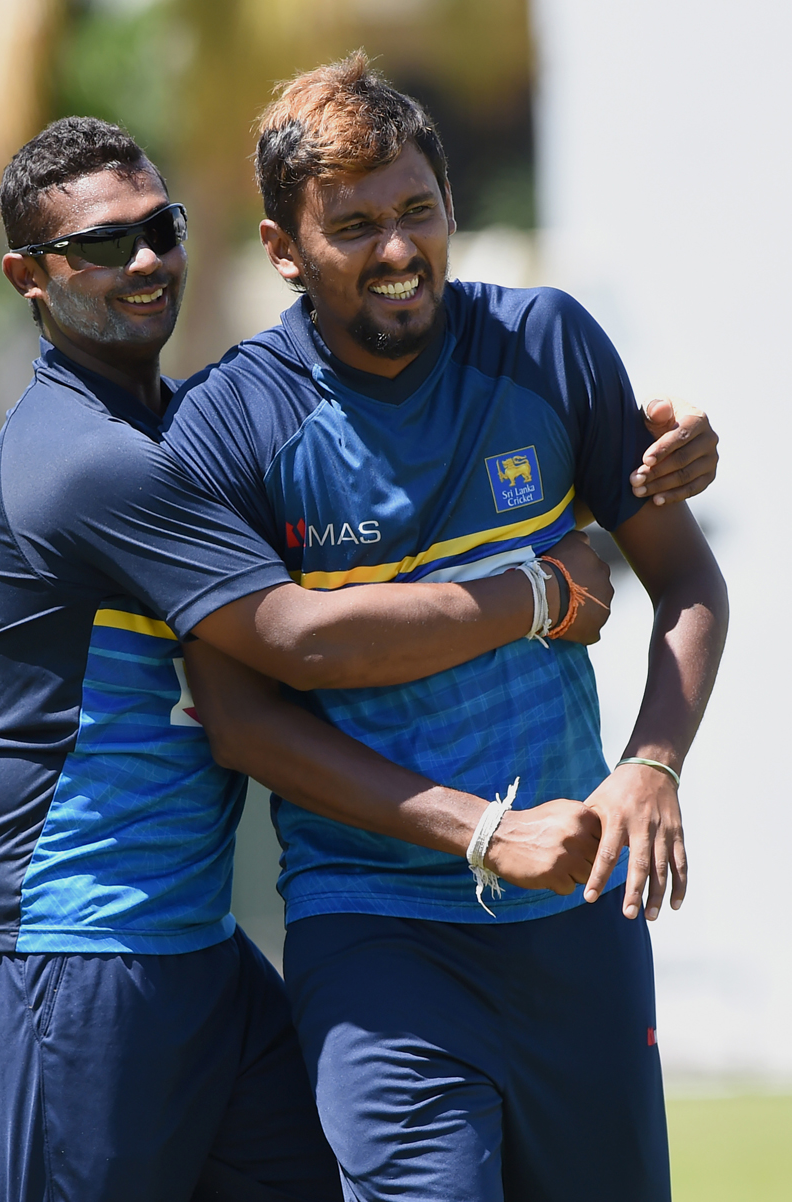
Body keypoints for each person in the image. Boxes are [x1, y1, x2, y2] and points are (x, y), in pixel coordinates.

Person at [0, 117, 717, 1202]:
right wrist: (540, 589)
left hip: (195, 945)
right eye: (103, 246)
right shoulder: (83, 458)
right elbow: (299, 640)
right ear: (29, 277)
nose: (147, 260)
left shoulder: (170, 426)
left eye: (159, 229)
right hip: (66, 940)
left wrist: (619, 439)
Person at [157, 53, 730, 1202]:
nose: (399, 249)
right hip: (373, 928)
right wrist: (480, 830)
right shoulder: (231, 422)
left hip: (580, 918)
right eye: (355, 224)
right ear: (283, 251)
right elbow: (240, 716)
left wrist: (651, 765)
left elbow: (687, 581)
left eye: (419, 209)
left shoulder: (550, 344)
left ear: (453, 207)